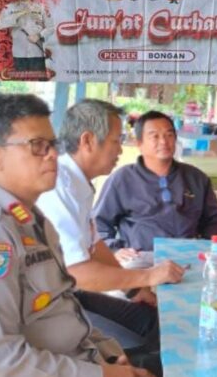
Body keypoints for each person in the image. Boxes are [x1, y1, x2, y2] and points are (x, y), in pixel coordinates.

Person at [0, 93, 151, 377]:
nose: (52, 155)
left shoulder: (34, 221)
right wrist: (103, 374)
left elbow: (64, 306)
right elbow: (3, 362)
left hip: (80, 358)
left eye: (53, 144)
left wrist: (108, 352)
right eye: (37, 146)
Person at [37, 99, 186, 375]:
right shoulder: (59, 187)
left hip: (74, 293)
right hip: (57, 304)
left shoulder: (78, 182)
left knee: (159, 322)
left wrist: (134, 290)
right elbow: (79, 272)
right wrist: (148, 276)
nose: (120, 149)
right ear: (88, 140)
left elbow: (94, 245)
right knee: (149, 351)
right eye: (116, 141)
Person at [94, 110, 217, 261]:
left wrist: (205, 246)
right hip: (140, 257)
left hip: (187, 255)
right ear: (139, 144)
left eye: (169, 135)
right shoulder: (122, 179)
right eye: (154, 136)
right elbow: (99, 223)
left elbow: (213, 219)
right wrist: (115, 249)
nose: (163, 141)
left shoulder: (196, 178)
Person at [0, 0, 53, 73]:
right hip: (19, 55)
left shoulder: (40, 8)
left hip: (37, 53)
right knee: (22, 78)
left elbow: (52, 27)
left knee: (38, 80)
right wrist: (19, 14)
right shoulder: (9, 8)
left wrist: (39, 35)